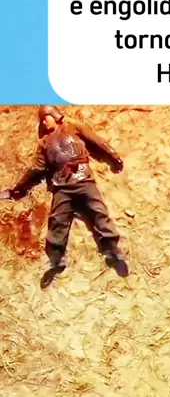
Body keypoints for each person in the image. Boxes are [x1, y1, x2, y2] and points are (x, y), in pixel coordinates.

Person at [7, 105, 128, 287]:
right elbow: (36, 169)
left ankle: (112, 249)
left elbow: (96, 141)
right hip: (61, 185)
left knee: (98, 212)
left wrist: (113, 155)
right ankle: (56, 259)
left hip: (83, 179)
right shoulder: (44, 143)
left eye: (45, 118)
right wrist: (19, 188)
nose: (43, 123)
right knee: (57, 220)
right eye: (41, 121)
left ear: (55, 115)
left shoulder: (74, 126)